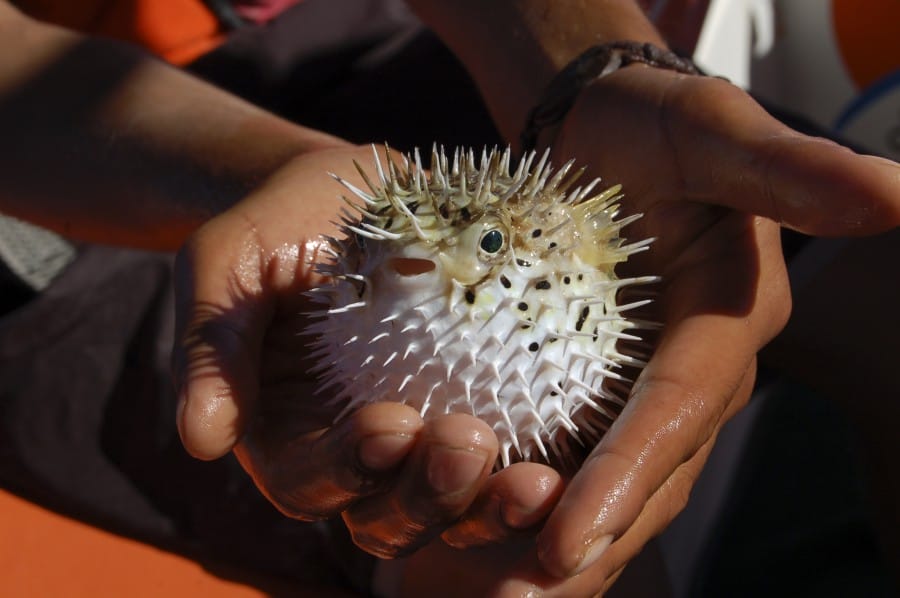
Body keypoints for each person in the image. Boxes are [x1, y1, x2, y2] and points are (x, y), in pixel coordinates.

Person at [1, 0, 898, 595]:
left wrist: (588, 72)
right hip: (64, 176)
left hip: (351, 33)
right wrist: (260, 173)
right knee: (511, 563)